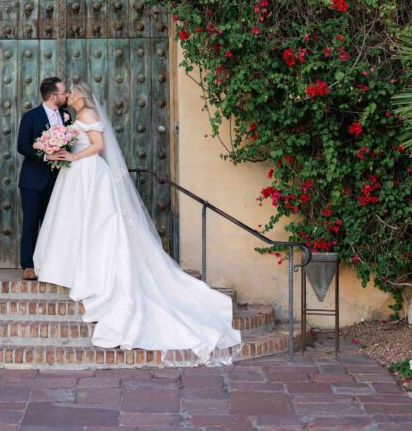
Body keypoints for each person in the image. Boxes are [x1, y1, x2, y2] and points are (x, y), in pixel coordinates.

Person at [33, 82, 242, 365]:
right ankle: (71, 263)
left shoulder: (90, 117)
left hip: (90, 174)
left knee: (97, 224)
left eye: (71, 93)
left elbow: (98, 146)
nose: (68, 96)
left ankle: (92, 267)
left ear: (80, 97)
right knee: (75, 222)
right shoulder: (73, 119)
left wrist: (73, 155)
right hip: (75, 176)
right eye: (65, 93)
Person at [15, 77, 71, 281]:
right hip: (33, 181)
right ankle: (28, 265)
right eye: (64, 92)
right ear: (52, 96)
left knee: (54, 224)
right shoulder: (31, 116)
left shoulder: (66, 116)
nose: (67, 95)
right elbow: (22, 145)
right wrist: (47, 155)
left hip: (58, 179)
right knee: (31, 223)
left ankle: (50, 264)